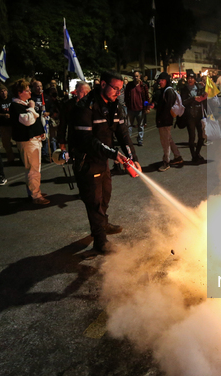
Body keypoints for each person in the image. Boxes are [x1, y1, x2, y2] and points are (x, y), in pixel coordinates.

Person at [70, 71, 142, 254]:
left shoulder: (115, 106)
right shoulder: (85, 107)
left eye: (121, 89)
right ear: (102, 84)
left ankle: (103, 224)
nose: (118, 93)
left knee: (105, 195)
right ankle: (100, 241)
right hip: (87, 161)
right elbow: (86, 139)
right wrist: (112, 153)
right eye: (115, 88)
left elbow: (123, 134)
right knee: (94, 201)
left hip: (103, 160)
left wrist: (133, 158)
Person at [10, 79, 49, 205]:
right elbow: (27, 121)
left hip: (33, 140)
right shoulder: (16, 106)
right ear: (20, 92)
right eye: (27, 90)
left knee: (34, 168)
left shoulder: (23, 104)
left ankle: (34, 191)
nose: (30, 92)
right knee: (33, 169)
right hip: (28, 141)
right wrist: (32, 108)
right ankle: (35, 195)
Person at [151, 72, 183, 172]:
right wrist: (154, 106)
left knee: (165, 142)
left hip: (165, 121)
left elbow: (167, 108)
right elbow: (162, 106)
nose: (160, 82)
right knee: (168, 139)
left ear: (166, 81)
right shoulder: (165, 90)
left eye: (162, 80)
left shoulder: (168, 91)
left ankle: (166, 162)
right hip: (165, 120)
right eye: (159, 80)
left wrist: (161, 119)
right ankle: (177, 157)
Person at [180, 71, 207, 163]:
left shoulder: (199, 88)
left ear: (195, 79)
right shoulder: (184, 89)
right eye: (189, 78)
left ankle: (197, 153)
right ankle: (193, 156)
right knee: (192, 137)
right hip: (190, 115)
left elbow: (204, 99)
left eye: (192, 78)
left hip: (199, 115)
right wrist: (193, 99)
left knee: (201, 136)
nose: (190, 80)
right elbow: (183, 102)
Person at [57, 81, 91, 151]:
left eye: (87, 92)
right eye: (82, 92)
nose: (85, 95)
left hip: (90, 139)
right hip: (74, 139)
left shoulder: (93, 105)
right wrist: (62, 141)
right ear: (76, 92)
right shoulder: (68, 105)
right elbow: (62, 124)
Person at [30, 80, 53, 163]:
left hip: (44, 120)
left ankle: (45, 154)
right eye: (37, 86)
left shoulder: (46, 97)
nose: (39, 88)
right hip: (35, 120)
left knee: (45, 137)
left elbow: (52, 108)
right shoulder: (31, 97)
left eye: (40, 86)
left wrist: (49, 113)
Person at [125, 71, 150, 146]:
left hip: (140, 109)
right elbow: (126, 96)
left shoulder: (143, 85)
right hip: (131, 109)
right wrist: (126, 104)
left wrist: (147, 107)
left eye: (137, 76)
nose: (135, 78)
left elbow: (146, 97)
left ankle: (140, 140)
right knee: (129, 125)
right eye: (134, 76)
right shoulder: (129, 85)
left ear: (140, 76)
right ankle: (128, 140)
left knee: (140, 126)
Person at [0, 84, 16, 164]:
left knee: (18, 141)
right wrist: (3, 115)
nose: (3, 93)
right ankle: (11, 158)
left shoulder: (11, 99)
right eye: (1, 91)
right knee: (6, 143)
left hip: (13, 123)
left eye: (4, 91)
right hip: (3, 124)